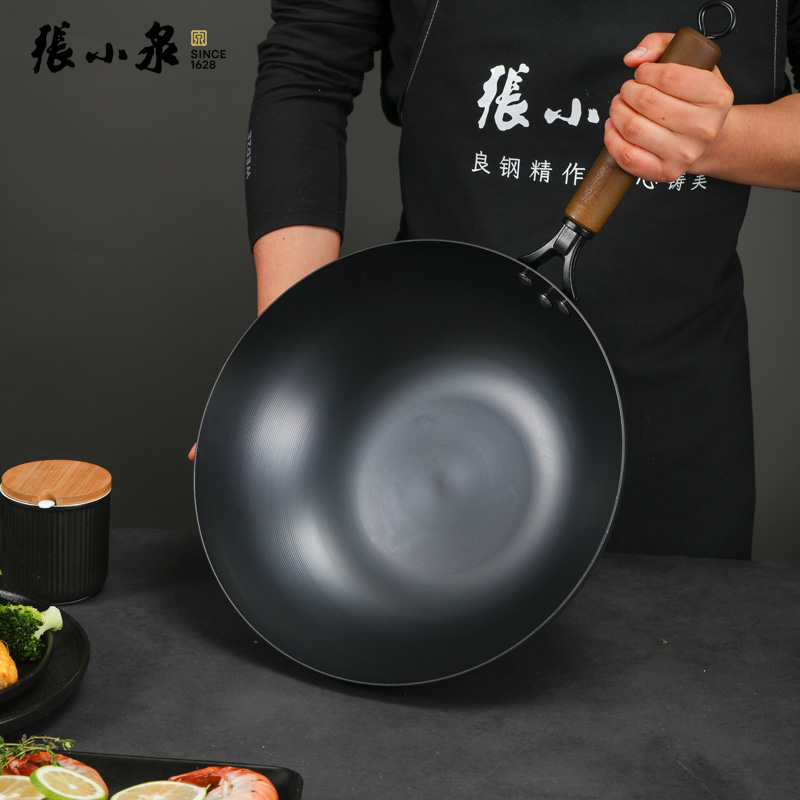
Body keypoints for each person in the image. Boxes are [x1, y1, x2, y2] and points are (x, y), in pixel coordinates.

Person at [199, 1, 800, 559]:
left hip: (672, 427)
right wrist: (286, 362)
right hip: (414, 405)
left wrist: (721, 138)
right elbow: (308, 69)